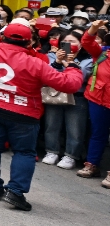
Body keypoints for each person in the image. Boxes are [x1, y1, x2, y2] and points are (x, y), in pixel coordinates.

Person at [0, 19, 82, 211]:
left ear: (1, 37)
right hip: (23, 114)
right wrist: (73, 67)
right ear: (29, 42)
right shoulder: (36, 63)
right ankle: (15, 191)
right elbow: (69, 84)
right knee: (24, 152)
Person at [42, 29, 92, 170]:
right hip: (55, 95)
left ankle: (71, 155)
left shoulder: (88, 60)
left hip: (77, 96)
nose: (68, 44)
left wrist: (67, 63)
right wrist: (58, 60)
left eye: (72, 41)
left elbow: (80, 76)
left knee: (75, 129)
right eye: (65, 42)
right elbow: (48, 74)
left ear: (81, 44)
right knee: (51, 125)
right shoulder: (52, 56)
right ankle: (51, 151)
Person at [77, 20, 110, 187]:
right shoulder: (102, 53)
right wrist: (94, 28)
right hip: (98, 98)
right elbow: (87, 42)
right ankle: (92, 165)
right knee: (98, 133)